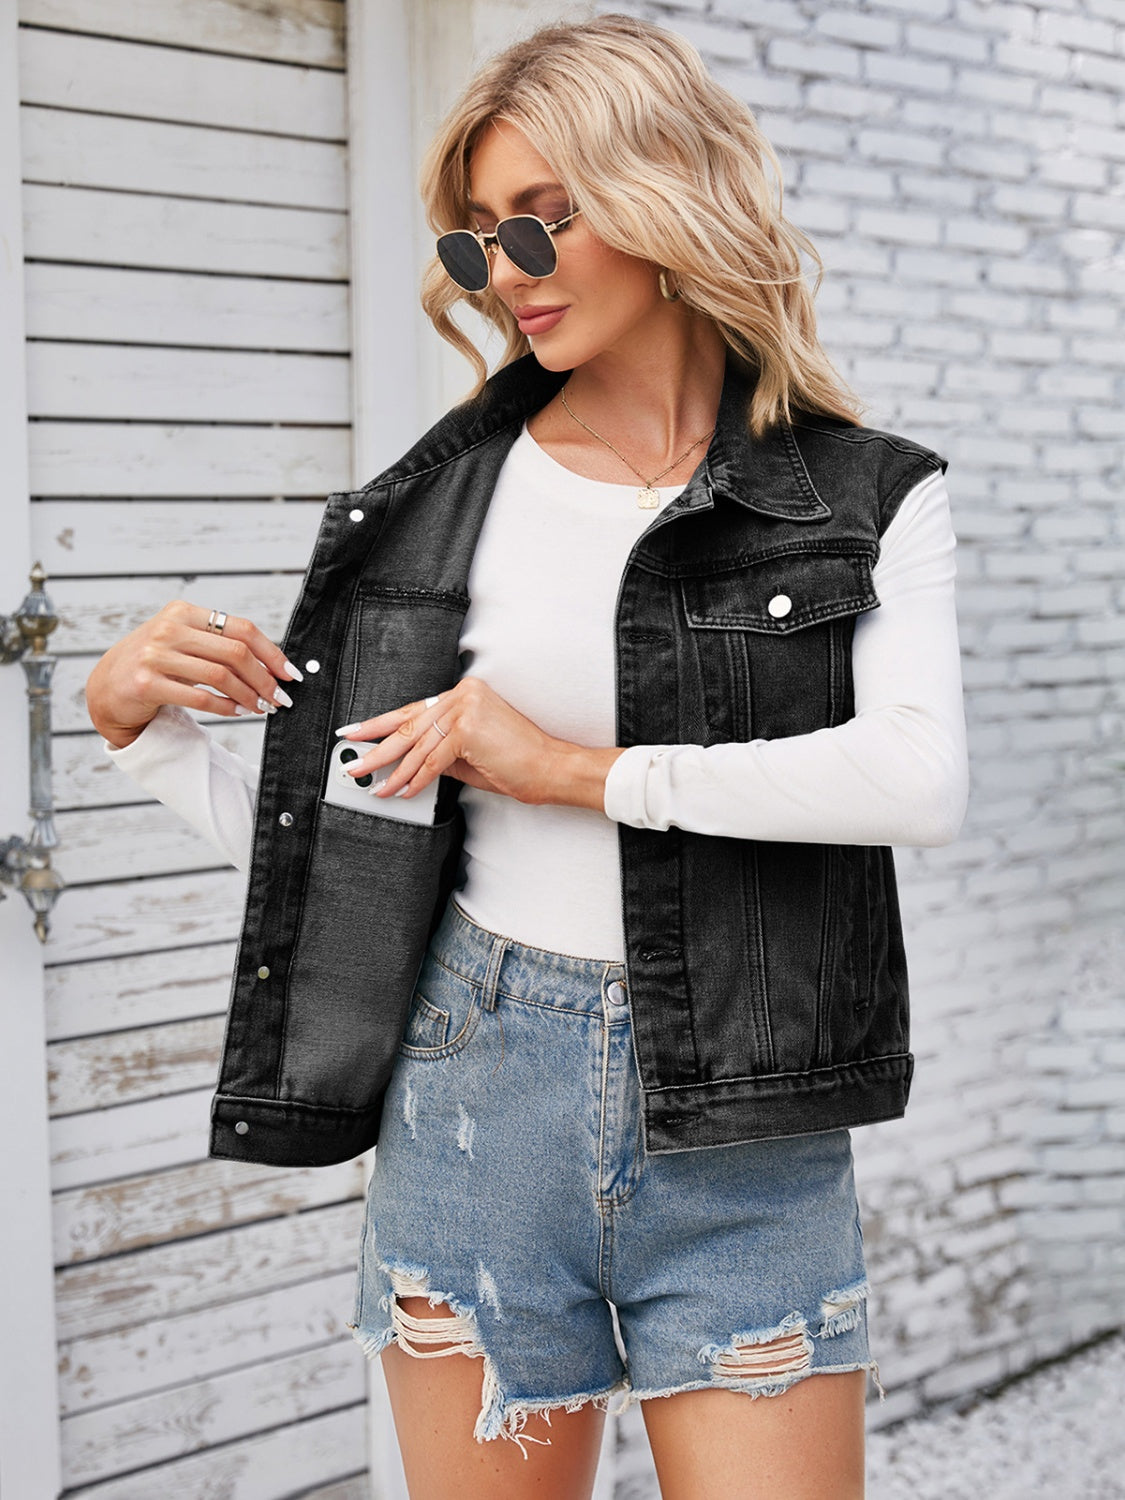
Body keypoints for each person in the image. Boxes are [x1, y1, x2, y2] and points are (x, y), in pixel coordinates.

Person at [85, 14, 968, 1499]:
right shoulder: (433, 510)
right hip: (474, 1088)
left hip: (746, 1129)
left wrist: (568, 767)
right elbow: (353, 851)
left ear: (666, 194)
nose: (508, 271)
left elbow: (916, 779)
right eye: (479, 237)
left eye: (544, 219)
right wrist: (142, 734)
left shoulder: (865, 495)